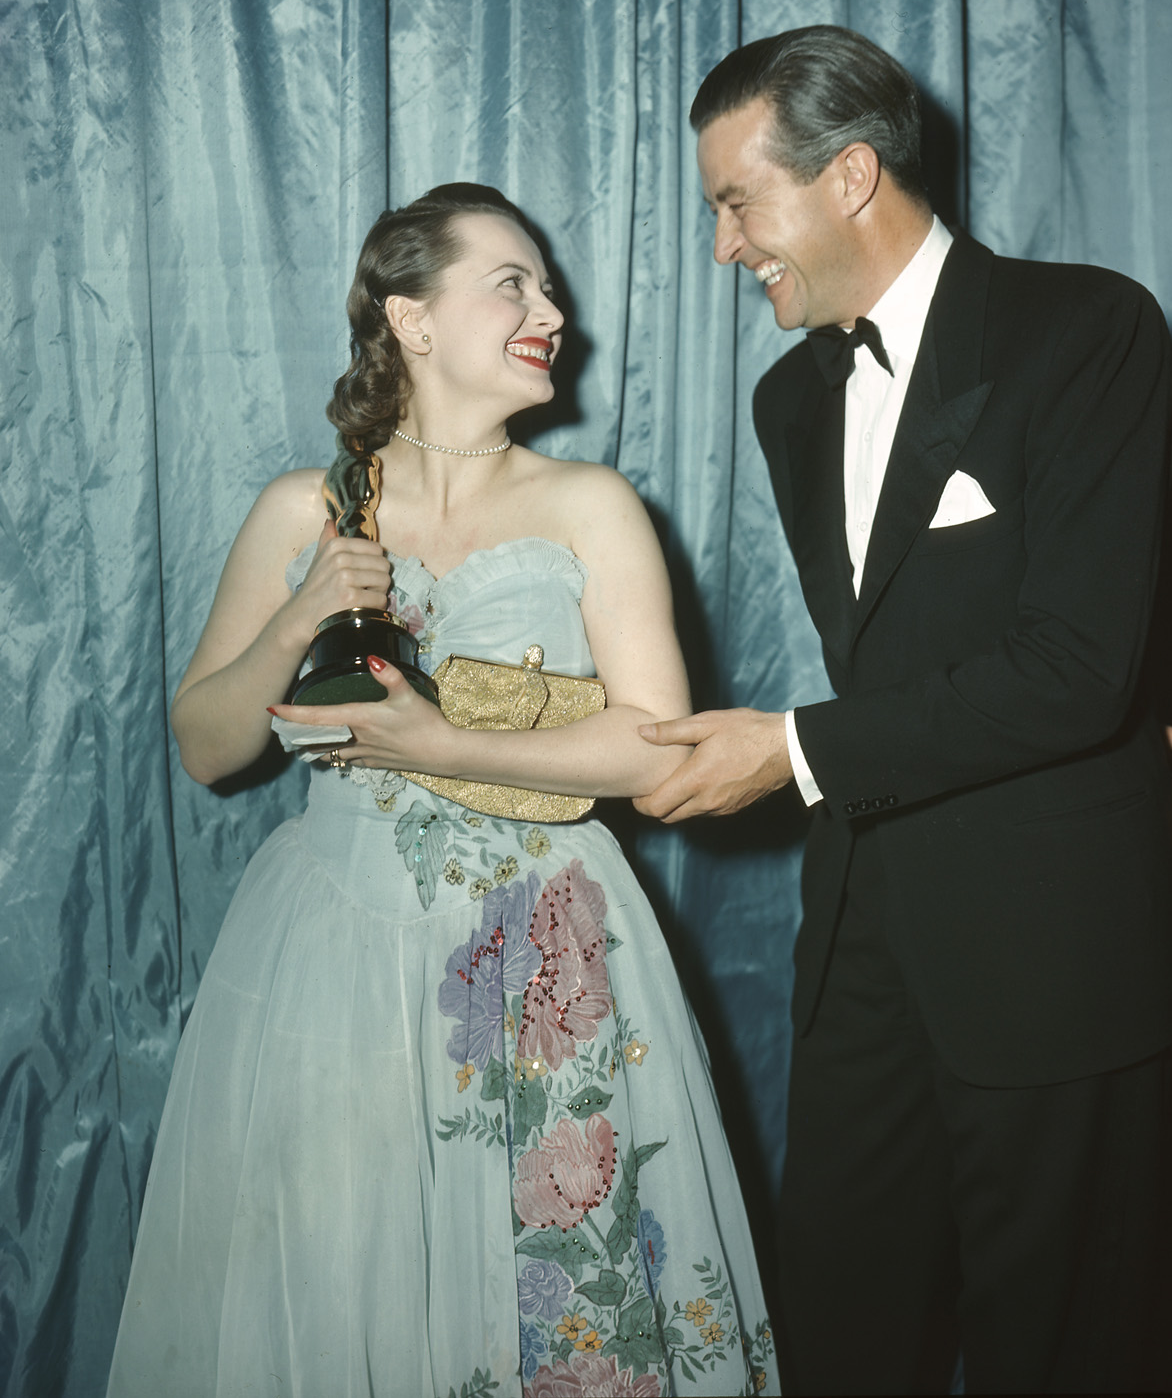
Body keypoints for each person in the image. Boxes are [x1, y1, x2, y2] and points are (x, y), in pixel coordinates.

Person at [106, 183, 777, 1398]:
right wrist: (301, 612)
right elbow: (208, 743)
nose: (553, 311)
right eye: (512, 283)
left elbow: (656, 747)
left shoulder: (593, 507)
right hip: (330, 954)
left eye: (550, 287)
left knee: (549, 1297)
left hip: (548, 944)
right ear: (410, 317)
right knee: (333, 1277)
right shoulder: (302, 508)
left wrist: (441, 741)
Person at [635, 26, 1172, 1395]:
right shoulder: (785, 399)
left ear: (851, 176)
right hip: (865, 949)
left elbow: (1075, 659)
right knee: (842, 1333)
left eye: (735, 203)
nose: (722, 247)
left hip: (1058, 955)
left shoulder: (1088, 327)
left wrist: (792, 748)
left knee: (1066, 1354)